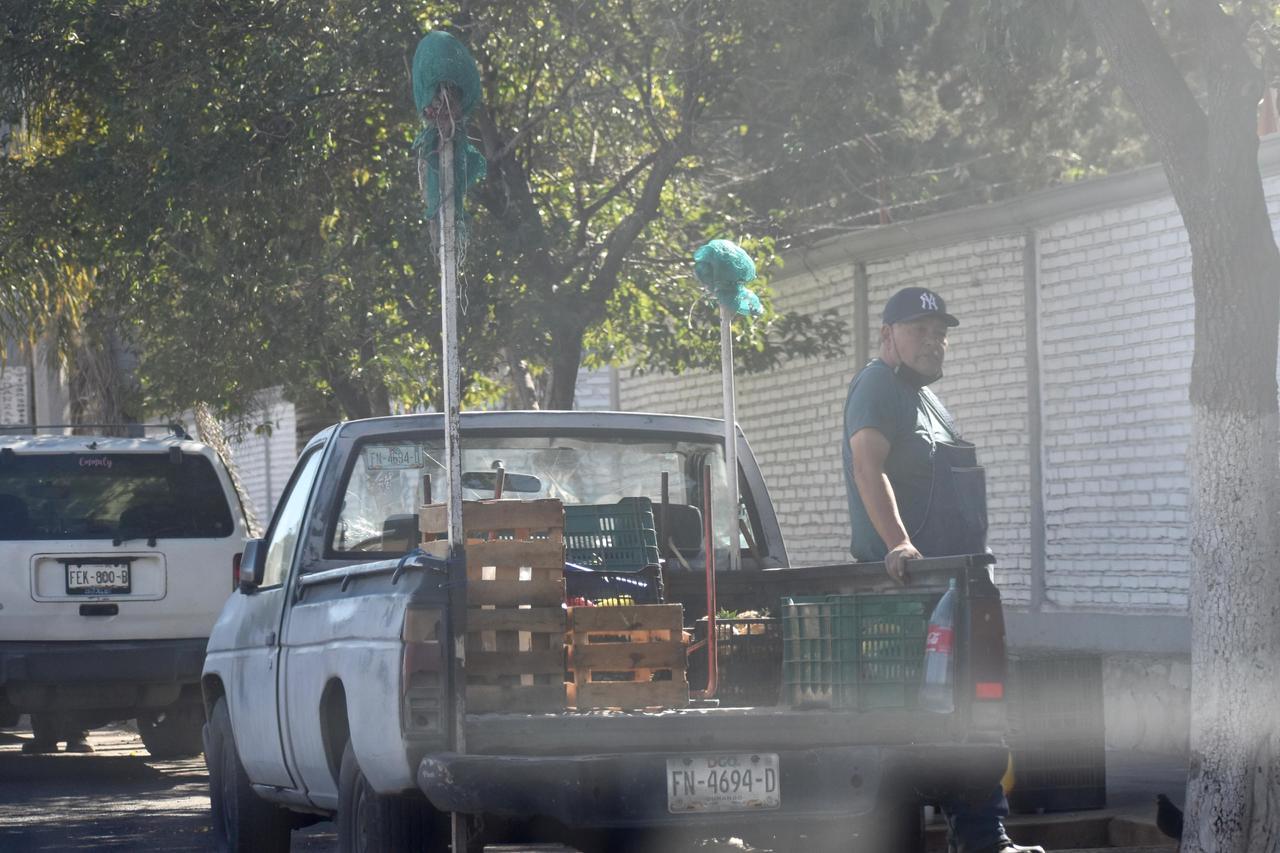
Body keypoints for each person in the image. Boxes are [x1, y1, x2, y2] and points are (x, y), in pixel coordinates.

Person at [842, 286, 1042, 853]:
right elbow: (866, 465)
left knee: (970, 715)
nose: (933, 340)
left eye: (940, 332)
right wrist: (900, 544)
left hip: (954, 585)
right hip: (908, 589)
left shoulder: (927, 398)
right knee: (920, 721)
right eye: (919, 330)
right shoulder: (878, 385)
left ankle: (985, 837)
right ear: (887, 336)